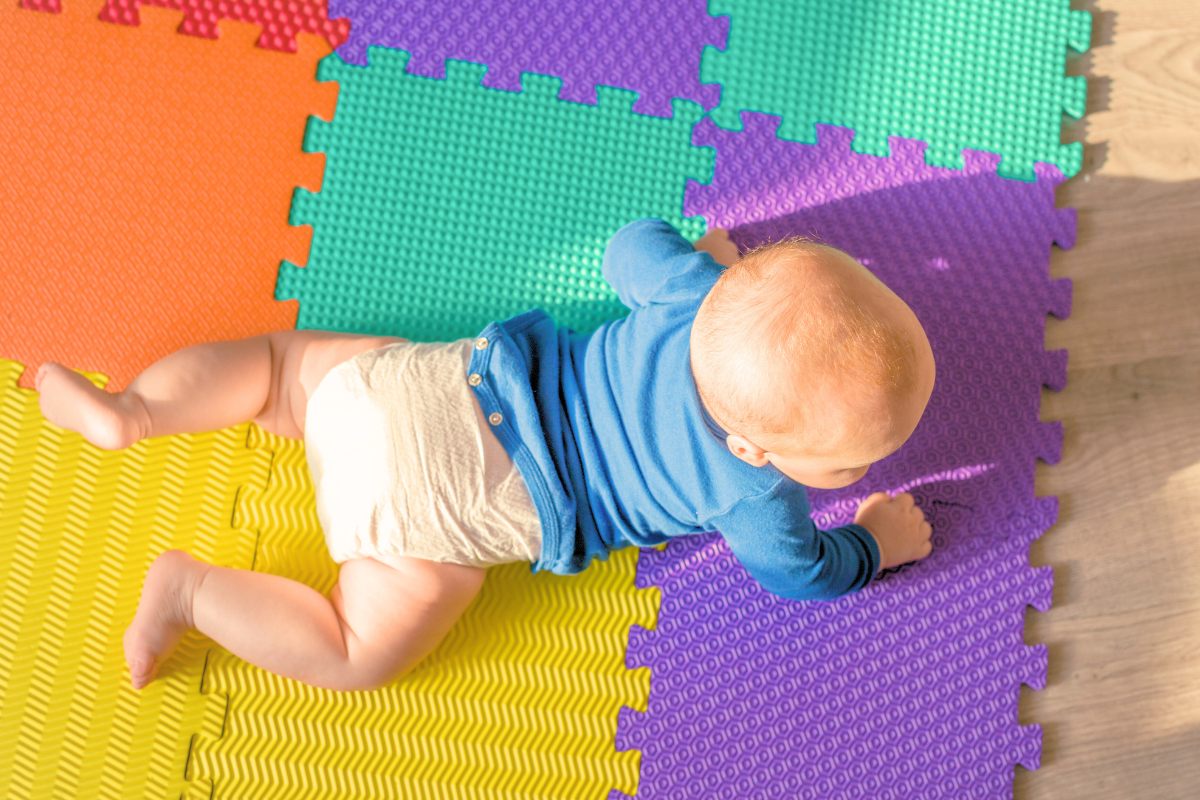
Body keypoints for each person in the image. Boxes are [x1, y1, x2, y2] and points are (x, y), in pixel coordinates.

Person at [35, 218, 935, 693]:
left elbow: (630, 248)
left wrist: (703, 259)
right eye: (848, 467)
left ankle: (132, 413)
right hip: (449, 515)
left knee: (279, 367)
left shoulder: (693, 297)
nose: (850, 479)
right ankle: (191, 592)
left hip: (417, 391)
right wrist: (873, 546)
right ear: (752, 445)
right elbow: (799, 576)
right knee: (355, 653)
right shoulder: (754, 493)